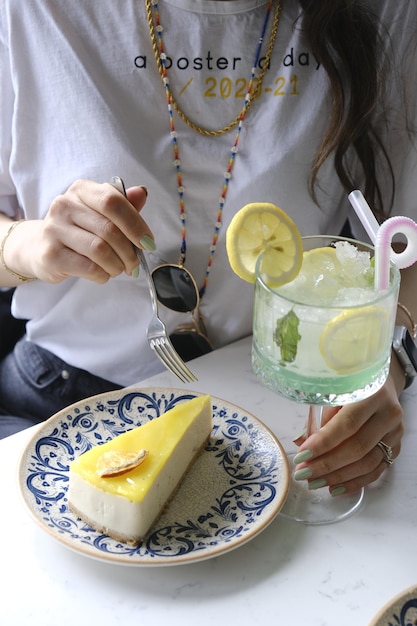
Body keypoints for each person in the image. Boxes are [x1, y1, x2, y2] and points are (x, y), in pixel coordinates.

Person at [0, 0, 416, 499]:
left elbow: (403, 245)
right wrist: (28, 245)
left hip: (277, 412)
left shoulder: (387, 10)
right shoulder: (31, 10)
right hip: (57, 399)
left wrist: (392, 361)